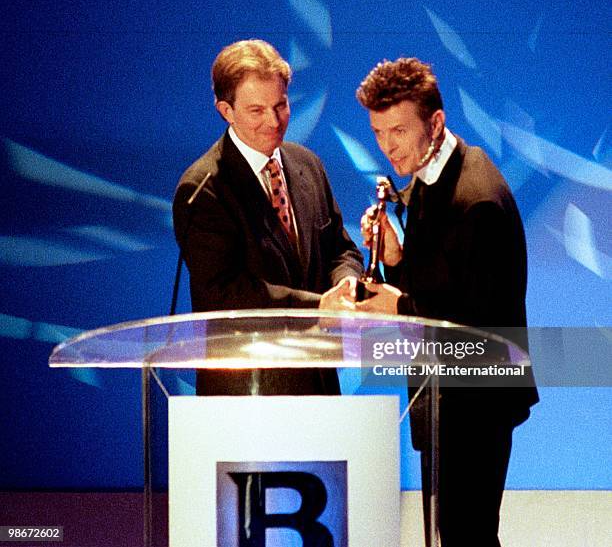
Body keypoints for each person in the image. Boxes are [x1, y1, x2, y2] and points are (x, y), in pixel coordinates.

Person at [355, 57, 539, 546]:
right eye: (377, 132)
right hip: (447, 394)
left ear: (435, 122)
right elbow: (441, 279)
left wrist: (399, 307)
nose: (387, 146)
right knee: (456, 531)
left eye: (398, 130)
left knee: (467, 534)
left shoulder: (475, 197)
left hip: (478, 398)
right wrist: (394, 258)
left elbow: (475, 323)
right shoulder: (433, 174)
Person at [173, 39, 362, 396]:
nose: (274, 122)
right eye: (257, 111)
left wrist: (346, 285)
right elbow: (227, 293)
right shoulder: (204, 188)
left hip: (318, 382)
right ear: (226, 110)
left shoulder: (308, 164)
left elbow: (341, 248)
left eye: (281, 105)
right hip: (248, 392)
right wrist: (318, 306)